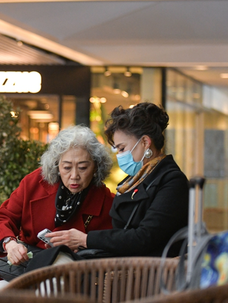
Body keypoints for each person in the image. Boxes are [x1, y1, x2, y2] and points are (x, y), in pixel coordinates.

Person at [0, 125, 116, 292]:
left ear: (97, 167)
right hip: (20, 261)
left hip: (65, 273)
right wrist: (9, 244)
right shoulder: (34, 183)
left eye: (83, 167)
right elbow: (3, 217)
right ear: (56, 165)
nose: (74, 175)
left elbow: (113, 244)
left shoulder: (106, 201)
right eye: (67, 167)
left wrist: (84, 243)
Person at [47, 102, 189, 258]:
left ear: (145, 142)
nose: (119, 155)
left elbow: (145, 237)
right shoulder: (135, 181)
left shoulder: (172, 181)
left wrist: (86, 239)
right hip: (130, 269)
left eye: (122, 148)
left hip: (154, 274)